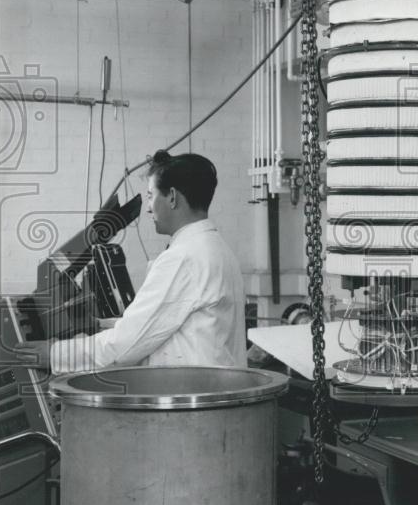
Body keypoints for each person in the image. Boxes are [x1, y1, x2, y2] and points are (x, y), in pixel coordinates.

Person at [16, 150, 246, 374]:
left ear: (172, 197)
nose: (147, 207)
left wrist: (55, 354)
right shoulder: (218, 250)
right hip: (214, 392)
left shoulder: (183, 258)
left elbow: (126, 346)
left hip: (190, 401)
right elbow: (164, 324)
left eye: (150, 195)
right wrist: (101, 325)